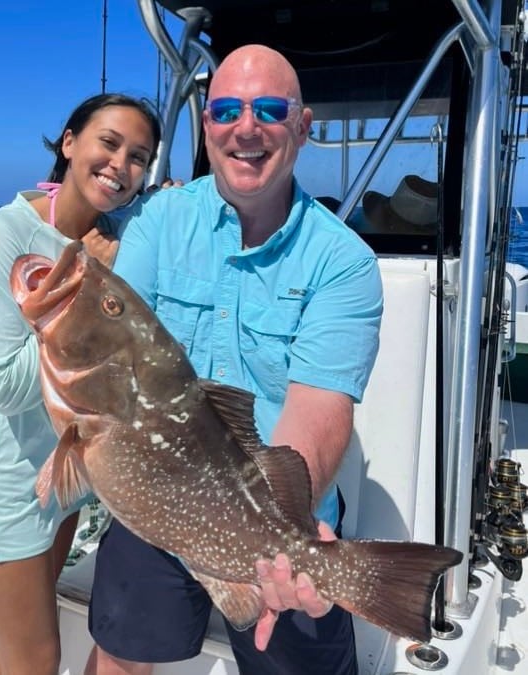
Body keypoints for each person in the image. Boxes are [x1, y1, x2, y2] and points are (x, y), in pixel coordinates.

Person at [85, 44, 383, 675]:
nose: (246, 128)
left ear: (303, 127)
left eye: (270, 109)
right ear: (206, 127)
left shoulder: (345, 262)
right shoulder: (157, 222)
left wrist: (284, 536)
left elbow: (316, 412)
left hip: (281, 516)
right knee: (117, 658)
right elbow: (117, 359)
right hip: (157, 500)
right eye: (225, 110)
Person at [0, 93, 162, 675]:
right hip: (2, 477)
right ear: (69, 143)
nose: (121, 165)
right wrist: (84, 287)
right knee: (37, 655)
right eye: (108, 143)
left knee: (11, 639)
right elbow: (5, 390)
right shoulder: (1, 234)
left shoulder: (118, 231)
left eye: (139, 157)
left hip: (65, 466)